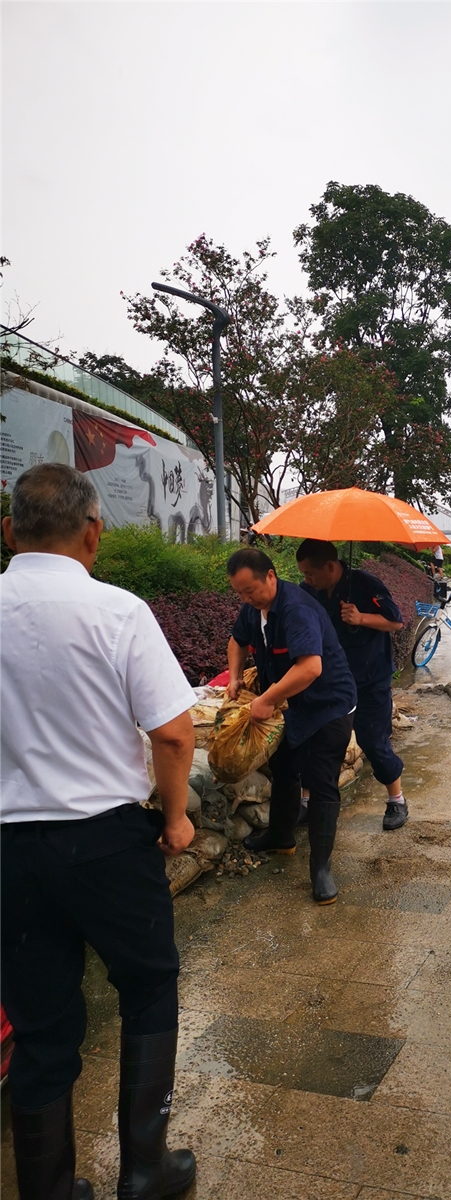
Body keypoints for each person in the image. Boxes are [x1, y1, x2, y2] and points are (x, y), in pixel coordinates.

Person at [1, 463, 198, 1200]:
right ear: (93, 533)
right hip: (109, 843)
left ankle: (47, 1192)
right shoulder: (118, 612)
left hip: (12, 850)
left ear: (8, 530)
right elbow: (174, 735)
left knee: (41, 1024)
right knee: (147, 987)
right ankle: (145, 1171)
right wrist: (175, 819)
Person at [226, 548, 357, 902]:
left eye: (250, 590)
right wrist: (235, 677)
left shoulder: (296, 609)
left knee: (322, 782)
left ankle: (321, 868)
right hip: (290, 705)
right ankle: (281, 837)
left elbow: (310, 668)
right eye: (239, 593)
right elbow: (237, 641)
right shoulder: (254, 608)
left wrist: (266, 700)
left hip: (328, 705)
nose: (246, 598)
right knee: (284, 770)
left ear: (271, 576)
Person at [294, 540, 408, 831]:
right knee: (316, 740)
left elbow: (395, 622)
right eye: (304, 575)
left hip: (370, 677)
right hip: (330, 680)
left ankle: (396, 799)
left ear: (330, 567)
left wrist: (361, 617)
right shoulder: (309, 591)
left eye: (310, 574)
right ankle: (308, 801)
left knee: (373, 740)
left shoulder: (367, 584)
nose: (306, 580)